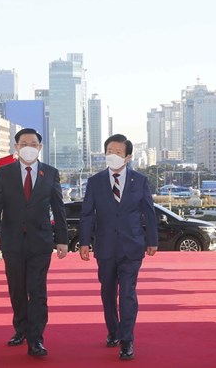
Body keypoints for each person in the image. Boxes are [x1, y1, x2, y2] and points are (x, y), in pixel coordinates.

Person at [0, 128, 68, 358]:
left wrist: (62, 239)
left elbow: (58, 207)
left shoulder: (50, 173)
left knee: (38, 291)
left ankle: (36, 339)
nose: (29, 147)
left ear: (40, 148)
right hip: (12, 242)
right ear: (16, 147)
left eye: (33, 143)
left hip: (40, 242)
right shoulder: (5, 172)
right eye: (24, 144)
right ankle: (20, 329)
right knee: (17, 290)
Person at [78, 134, 158, 361]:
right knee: (107, 292)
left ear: (128, 157)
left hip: (132, 246)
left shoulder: (140, 180)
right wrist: (84, 242)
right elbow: (86, 215)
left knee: (128, 294)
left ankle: (127, 340)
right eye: (109, 151)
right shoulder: (95, 182)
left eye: (118, 152)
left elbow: (149, 212)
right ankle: (113, 331)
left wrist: (152, 240)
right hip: (105, 247)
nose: (113, 156)